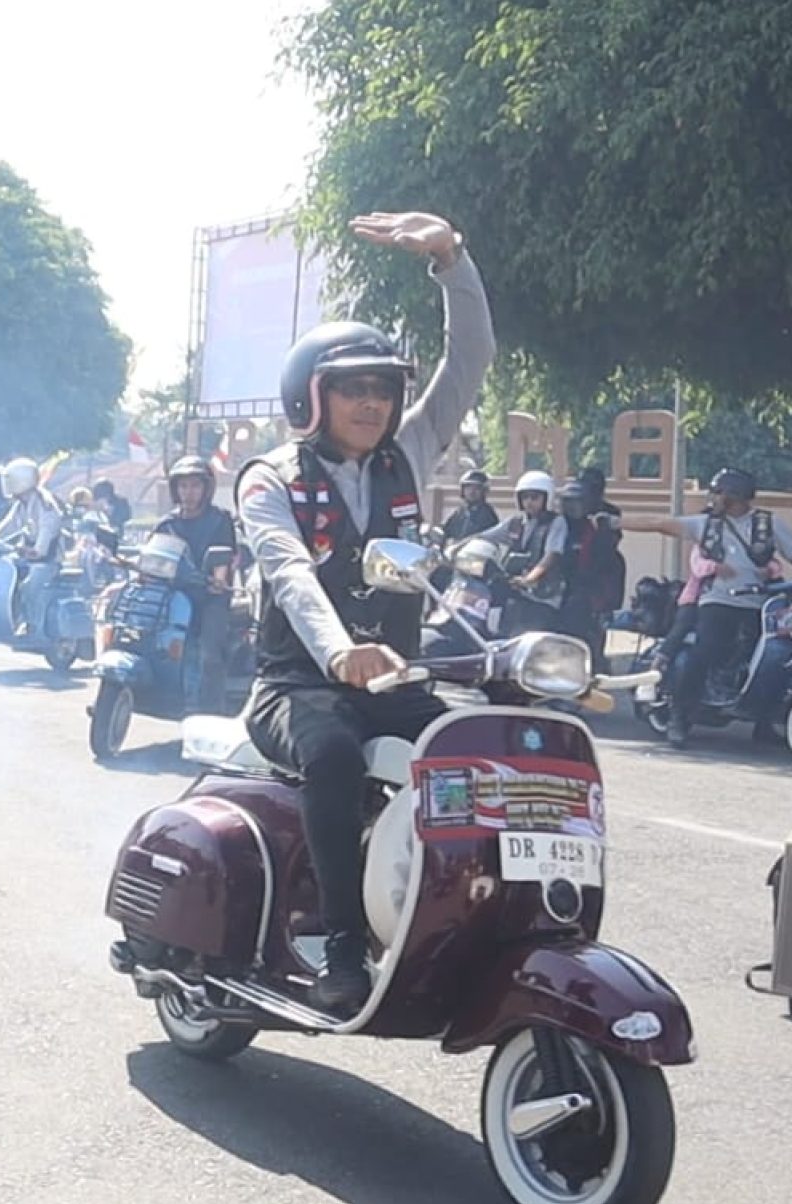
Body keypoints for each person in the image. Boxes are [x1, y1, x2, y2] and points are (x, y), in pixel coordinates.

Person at [235, 209, 492, 1013]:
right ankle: (343, 946)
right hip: (296, 687)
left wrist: (451, 258)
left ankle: (463, 918)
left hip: (396, 680)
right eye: (352, 388)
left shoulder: (408, 455)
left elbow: (472, 359)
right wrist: (339, 651)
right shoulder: (268, 479)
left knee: (478, 752)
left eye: (382, 388)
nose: (372, 403)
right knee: (337, 756)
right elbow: (288, 574)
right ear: (312, 396)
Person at [623, 468, 792, 745]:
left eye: (718, 492)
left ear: (734, 496)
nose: (713, 497)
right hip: (718, 601)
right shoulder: (706, 524)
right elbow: (659, 523)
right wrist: (615, 522)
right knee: (705, 650)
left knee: (776, 656)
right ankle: (680, 716)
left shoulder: (769, 524)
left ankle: (765, 723)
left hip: (762, 604)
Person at [150, 456, 240, 708]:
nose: (188, 492)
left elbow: (224, 557)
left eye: (195, 486)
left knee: (210, 653)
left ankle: (211, 709)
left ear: (206, 489)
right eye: (183, 486)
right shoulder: (167, 523)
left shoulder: (220, 520)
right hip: (172, 593)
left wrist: (218, 581)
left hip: (209, 595)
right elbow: (152, 555)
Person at [476, 470, 567, 634]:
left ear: (547, 498)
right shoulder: (516, 523)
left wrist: (530, 578)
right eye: (525, 497)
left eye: (535, 497)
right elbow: (484, 537)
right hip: (516, 590)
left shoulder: (556, 522)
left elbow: (551, 555)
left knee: (527, 638)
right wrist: (457, 547)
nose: (529, 502)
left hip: (542, 595)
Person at [0, 456, 67, 637]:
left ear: (21, 480)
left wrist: (35, 550)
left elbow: (45, 539)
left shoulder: (46, 505)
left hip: (48, 561)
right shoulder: (21, 503)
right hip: (28, 558)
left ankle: (30, 624)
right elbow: (8, 525)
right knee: (1, 575)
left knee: (29, 587)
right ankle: (7, 618)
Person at [554, 478, 623, 656]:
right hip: (558, 590)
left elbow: (604, 561)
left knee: (588, 640)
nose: (571, 507)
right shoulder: (557, 526)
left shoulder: (595, 528)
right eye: (567, 502)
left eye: (576, 502)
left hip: (590, 593)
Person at [442, 466, 498, 539]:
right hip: (455, 548)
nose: (472, 491)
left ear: (484, 491)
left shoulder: (488, 514)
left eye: (477, 488)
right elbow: (446, 530)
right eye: (468, 487)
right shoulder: (460, 511)